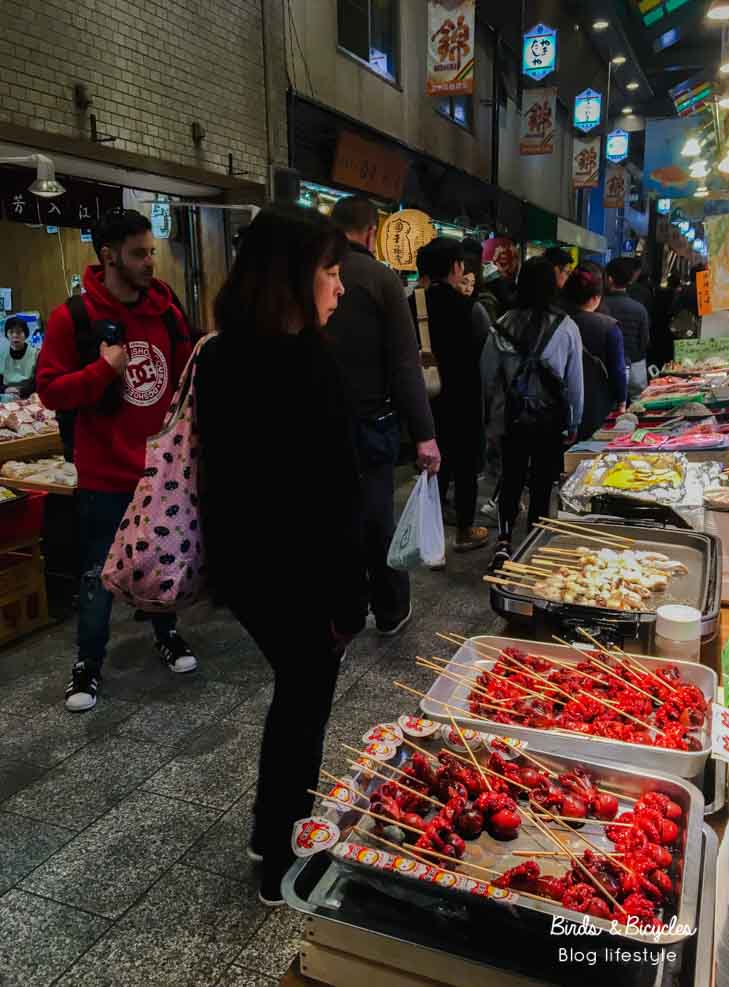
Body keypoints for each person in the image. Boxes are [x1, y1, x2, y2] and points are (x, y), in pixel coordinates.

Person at [196, 204, 366, 906]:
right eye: (330, 271)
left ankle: (271, 831)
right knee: (303, 705)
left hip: (244, 568)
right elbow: (336, 495)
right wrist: (348, 599)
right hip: (301, 575)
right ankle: (281, 858)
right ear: (293, 275)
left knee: (294, 696)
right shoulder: (310, 363)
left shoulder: (219, 354)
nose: (340, 287)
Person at [37, 209, 197, 713]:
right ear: (109, 257)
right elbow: (50, 390)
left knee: (162, 559)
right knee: (97, 572)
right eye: (138, 254)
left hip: (160, 472)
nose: (150, 262)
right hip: (104, 473)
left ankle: (166, 634)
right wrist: (102, 372)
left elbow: (186, 381)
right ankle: (87, 663)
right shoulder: (73, 318)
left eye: (151, 252)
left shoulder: (168, 312)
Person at [327, 196, 440, 635]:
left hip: (320, 424)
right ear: (372, 232)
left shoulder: (308, 273)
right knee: (377, 520)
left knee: (332, 520)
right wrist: (425, 434)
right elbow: (405, 366)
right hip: (371, 423)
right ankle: (390, 609)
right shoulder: (380, 279)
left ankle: (344, 612)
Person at [481, 257, 583, 570]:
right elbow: (575, 383)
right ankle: (534, 544)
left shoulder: (502, 325)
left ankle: (504, 541)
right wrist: (575, 421)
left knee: (511, 478)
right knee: (542, 483)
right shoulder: (567, 327)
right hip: (550, 420)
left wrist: (494, 415)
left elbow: (487, 377)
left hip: (512, 419)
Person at [425, 237, 489, 553]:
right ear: (456, 267)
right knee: (464, 468)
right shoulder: (471, 309)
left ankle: (430, 538)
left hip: (426, 400)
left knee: (431, 468)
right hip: (464, 400)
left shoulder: (411, 305)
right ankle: (464, 530)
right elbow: (485, 358)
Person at [561, 263, 627, 439]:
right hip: (597, 402)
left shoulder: (556, 323)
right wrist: (622, 401)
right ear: (596, 297)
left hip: (560, 403)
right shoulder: (609, 327)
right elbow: (618, 370)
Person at [606, 257, 650, 400]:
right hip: (634, 365)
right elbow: (644, 341)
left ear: (609, 279)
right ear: (630, 280)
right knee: (637, 404)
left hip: (606, 367)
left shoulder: (599, 306)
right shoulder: (639, 309)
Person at [1, 317, 37, 397]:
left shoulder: (36, 354)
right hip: (6, 394)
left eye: (19, 332)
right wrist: (5, 389)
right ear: (6, 335)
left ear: (25, 334)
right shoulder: (2, 354)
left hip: (29, 394)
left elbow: (38, 381)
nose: (15, 335)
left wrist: (22, 391)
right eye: (11, 332)